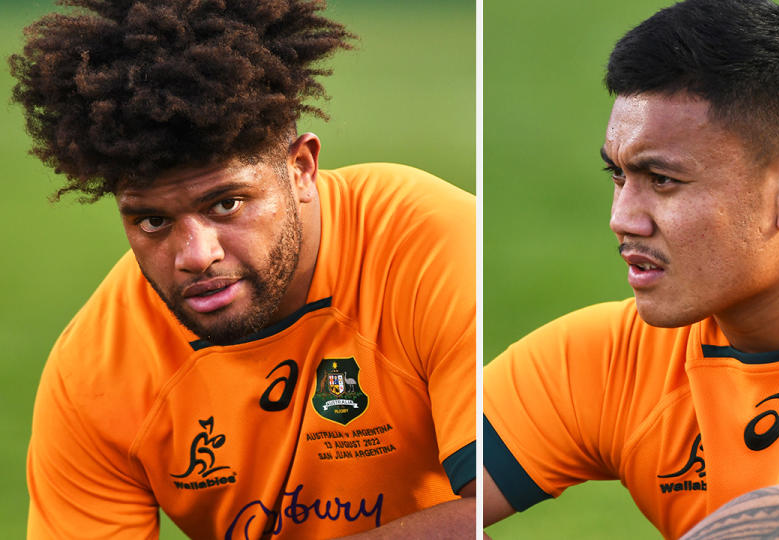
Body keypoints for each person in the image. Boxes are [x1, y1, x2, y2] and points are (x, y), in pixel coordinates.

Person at [483, 0, 779, 538]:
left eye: (662, 179)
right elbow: (406, 487)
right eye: (618, 176)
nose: (622, 219)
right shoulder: (609, 361)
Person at [12, 1, 475, 538]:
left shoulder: (434, 246)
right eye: (153, 220)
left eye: (226, 204)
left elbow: (481, 514)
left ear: (301, 169)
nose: (195, 254)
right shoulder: (94, 369)